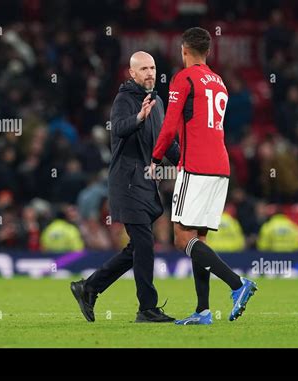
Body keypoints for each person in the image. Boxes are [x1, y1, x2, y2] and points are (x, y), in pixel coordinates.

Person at [150, 27, 257, 325]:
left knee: (181, 237)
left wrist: (156, 158)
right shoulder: (220, 82)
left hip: (195, 166)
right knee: (199, 239)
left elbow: (170, 125)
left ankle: (237, 285)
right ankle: (203, 310)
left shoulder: (183, 78)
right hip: (221, 167)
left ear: (183, 50)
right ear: (208, 52)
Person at [70, 51, 180, 323]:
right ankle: (147, 308)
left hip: (145, 183)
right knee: (143, 243)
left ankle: (89, 287)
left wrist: (187, 163)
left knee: (138, 247)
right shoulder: (124, 99)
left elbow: (165, 142)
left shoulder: (158, 101)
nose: (150, 73)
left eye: (152, 68)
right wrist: (139, 118)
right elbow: (118, 128)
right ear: (132, 73)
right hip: (127, 181)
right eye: (143, 69)